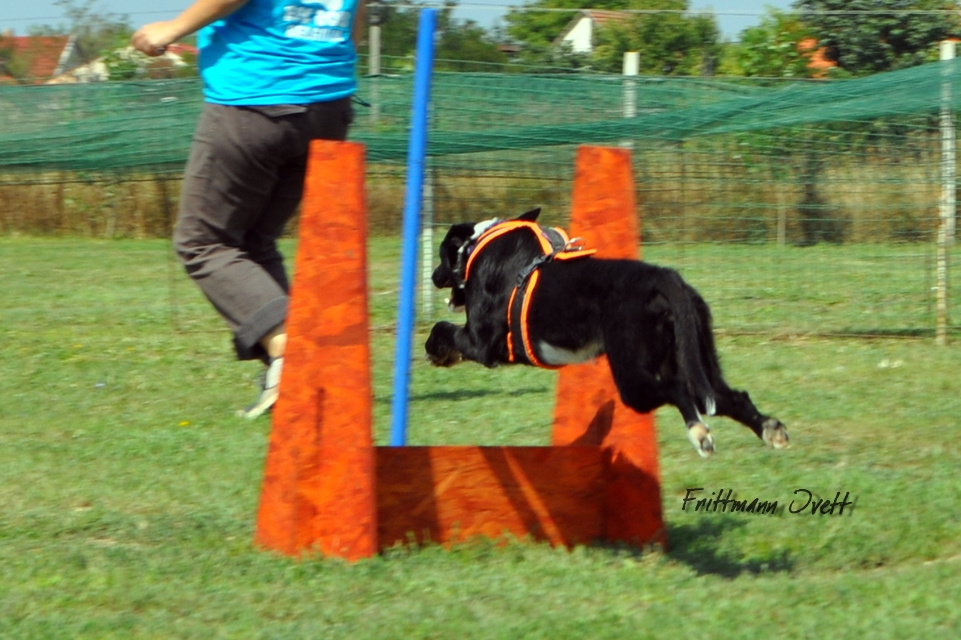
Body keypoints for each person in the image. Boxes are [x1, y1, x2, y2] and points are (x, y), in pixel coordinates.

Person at [132, 0, 366, 418]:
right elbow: (356, 21)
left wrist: (173, 29)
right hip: (328, 106)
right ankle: (298, 382)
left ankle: (292, 348)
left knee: (203, 242)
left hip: (255, 98)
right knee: (255, 241)